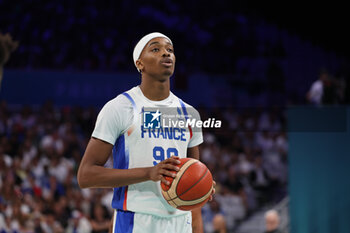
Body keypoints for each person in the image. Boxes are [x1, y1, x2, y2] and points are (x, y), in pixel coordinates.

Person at [77, 32, 214, 233]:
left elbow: (194, 177)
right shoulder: (120, 107)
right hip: (135, 220)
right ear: (140, 64)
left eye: (170, 50)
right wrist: (149, 173)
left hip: (180, 222)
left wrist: (200, 187)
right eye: (156, 49)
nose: (166, 54)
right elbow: (85, 175)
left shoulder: (189, 113)